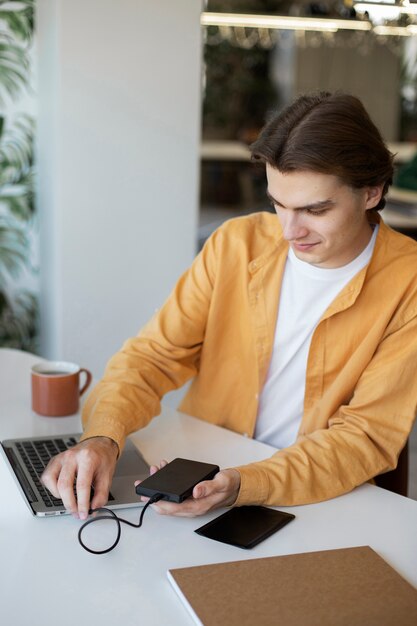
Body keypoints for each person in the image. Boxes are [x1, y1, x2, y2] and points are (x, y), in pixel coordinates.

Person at [41, 91, 417, 521]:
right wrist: (103, 438)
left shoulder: (409, 283)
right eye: (279, 205)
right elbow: (153, 357)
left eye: (315, 209)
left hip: (312, 498)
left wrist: (244, 483)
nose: (291, 231)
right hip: (199, 470)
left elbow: (365, 437)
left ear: (372, 191)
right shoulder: (235, 244)